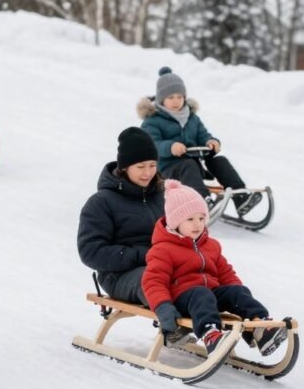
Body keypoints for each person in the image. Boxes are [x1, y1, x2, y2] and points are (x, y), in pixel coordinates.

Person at [142, 180, 286, 354]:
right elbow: (153, 281)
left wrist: (238, 293)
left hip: (210, 296)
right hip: (183, 299)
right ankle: (211, 335)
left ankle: (260, 327)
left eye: (201, 218)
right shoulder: (163, 249)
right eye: (190, 219)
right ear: (175, 223)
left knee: (237, 292)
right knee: (201, 293)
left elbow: (226, 273)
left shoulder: (211, 245)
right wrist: (163, 307)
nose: (197, 224)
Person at [139, 67, 259, 216]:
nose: (176, 101)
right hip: (167, 170)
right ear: (161, 99)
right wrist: (170, 147)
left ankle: (240, 196)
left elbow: (203, 134)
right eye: (170, 98)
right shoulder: (152, 121)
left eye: (179, 97)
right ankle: (201, 199)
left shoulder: (192, 118)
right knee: (187, 164)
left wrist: (211, 141)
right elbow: (152, 145)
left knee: (219, 160)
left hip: (193, 168)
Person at [77, 127, 164, 305]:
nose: (147, 173)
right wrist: (142, 255)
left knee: (202, 278)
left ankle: (217, 325)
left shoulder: (163, 196)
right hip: (119, 275)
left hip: (163, 265)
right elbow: (90, 251)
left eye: (152, 165)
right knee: (157, 282)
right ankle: (174, 329)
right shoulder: (101, 202)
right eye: (140, 167)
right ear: (124, 167)